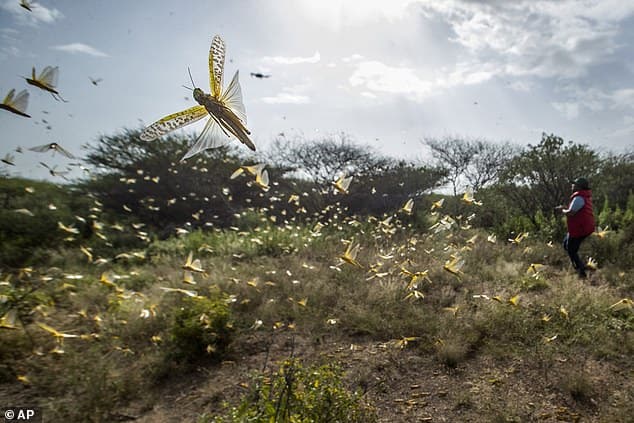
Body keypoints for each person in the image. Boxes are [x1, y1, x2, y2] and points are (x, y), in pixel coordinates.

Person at [556, 177, 595, 278]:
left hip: (580, 229)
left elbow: (571, 213)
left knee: (571, 250)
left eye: (574, 184)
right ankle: (581, 266)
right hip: (582, 227)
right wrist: (565, 208)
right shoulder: (583, 197)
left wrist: (562, 211)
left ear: (579, 187)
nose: (572, 186)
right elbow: (574, 210)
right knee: (566, 244)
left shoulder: (579, 198)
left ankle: (581, 271)